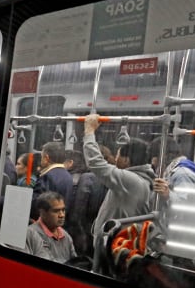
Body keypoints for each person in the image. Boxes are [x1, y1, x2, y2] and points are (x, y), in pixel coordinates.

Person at [83, 114, 156, 273]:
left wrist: (89, 132)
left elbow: (96, 163)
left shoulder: (131, 181)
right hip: (125, 246)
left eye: (117, 156)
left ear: (127, 160)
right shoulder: (146, 180)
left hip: (116, 248)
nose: (114, 160)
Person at [25, 191, 77, 263]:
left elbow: (75, 263)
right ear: (43, 212)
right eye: (56, 211)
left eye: (63, 210)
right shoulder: (30, 234)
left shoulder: (66, 237)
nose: (62, 215)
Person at [30, 141, 74, 220]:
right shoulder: (68, 176)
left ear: (46, 158)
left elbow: (36, 204)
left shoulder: (47, 176)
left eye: (41, 157)